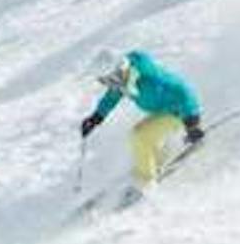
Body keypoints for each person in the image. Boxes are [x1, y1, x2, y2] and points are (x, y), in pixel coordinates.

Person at [78, 49, 206, 191]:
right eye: (104, 81)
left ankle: (146, 182)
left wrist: (192, 123)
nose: (108, 85)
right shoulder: (125, 80)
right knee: (144, 139)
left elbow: (182, 92)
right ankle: (155, 163)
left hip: (180, 111)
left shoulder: (148, 76)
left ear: (117, 72)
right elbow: (112, 97)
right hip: (165, 111)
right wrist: (96, 117)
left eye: (108, 80)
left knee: (139, 136)